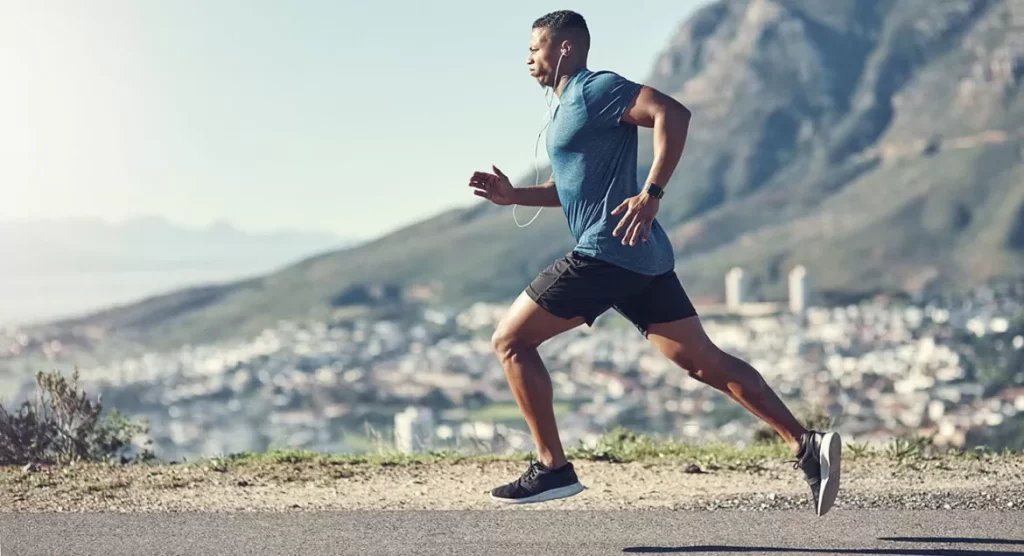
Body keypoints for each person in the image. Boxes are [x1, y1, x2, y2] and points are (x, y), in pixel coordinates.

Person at [467, 10, 842, 517]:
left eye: (535, 47)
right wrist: (515, 195)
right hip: (639, 257)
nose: (527, 58)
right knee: (702, 361)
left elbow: (674, 113)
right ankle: (806, 445)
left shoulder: (595, 88)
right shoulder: (566, 111)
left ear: (564, 49)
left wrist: (652, 192)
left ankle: (553, 466)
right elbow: (569, 190)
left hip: (607, 251)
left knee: (510, 341)